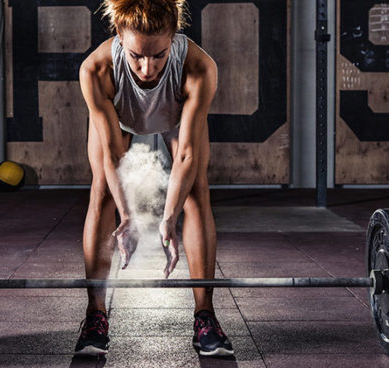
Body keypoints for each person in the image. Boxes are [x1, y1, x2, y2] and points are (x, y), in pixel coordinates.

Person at [75, 0, 233, 357]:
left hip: (176, 115)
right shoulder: (96, 70)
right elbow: (113, 156)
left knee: (196, 192)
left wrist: (168, 220)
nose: (147, 68)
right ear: (118, 36)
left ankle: (204, 316)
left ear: (174, 37)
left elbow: (186, 155)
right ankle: (95, 315)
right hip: (121, 116)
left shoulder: (198, 67)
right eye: (136, 57)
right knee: (101, 189)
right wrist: (128, 217)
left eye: (159, 55)